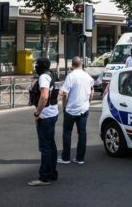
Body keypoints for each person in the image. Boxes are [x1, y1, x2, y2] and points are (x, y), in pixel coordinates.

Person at [58, 56, 95, 165]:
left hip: (70, 109)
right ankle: (80, 158)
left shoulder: (71, 76)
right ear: (81, 64)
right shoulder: (88, 76)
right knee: (82, 133)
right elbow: (92, 92)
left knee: (67, 133)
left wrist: (64, 107)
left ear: (72, 65)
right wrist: (88, 102)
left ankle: (66, 158)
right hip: (84, 109)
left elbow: (65, 94)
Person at [29, 57, 59, 187]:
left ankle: (44, 177)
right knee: (51, 145)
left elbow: (44, 96)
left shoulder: (43, 77)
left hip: (45, 115)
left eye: (37, 65)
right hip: (53, 112)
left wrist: (37, 113)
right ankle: (52, 173)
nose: (35, 67)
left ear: (40, 66)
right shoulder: (53, 74)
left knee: (45, 147)